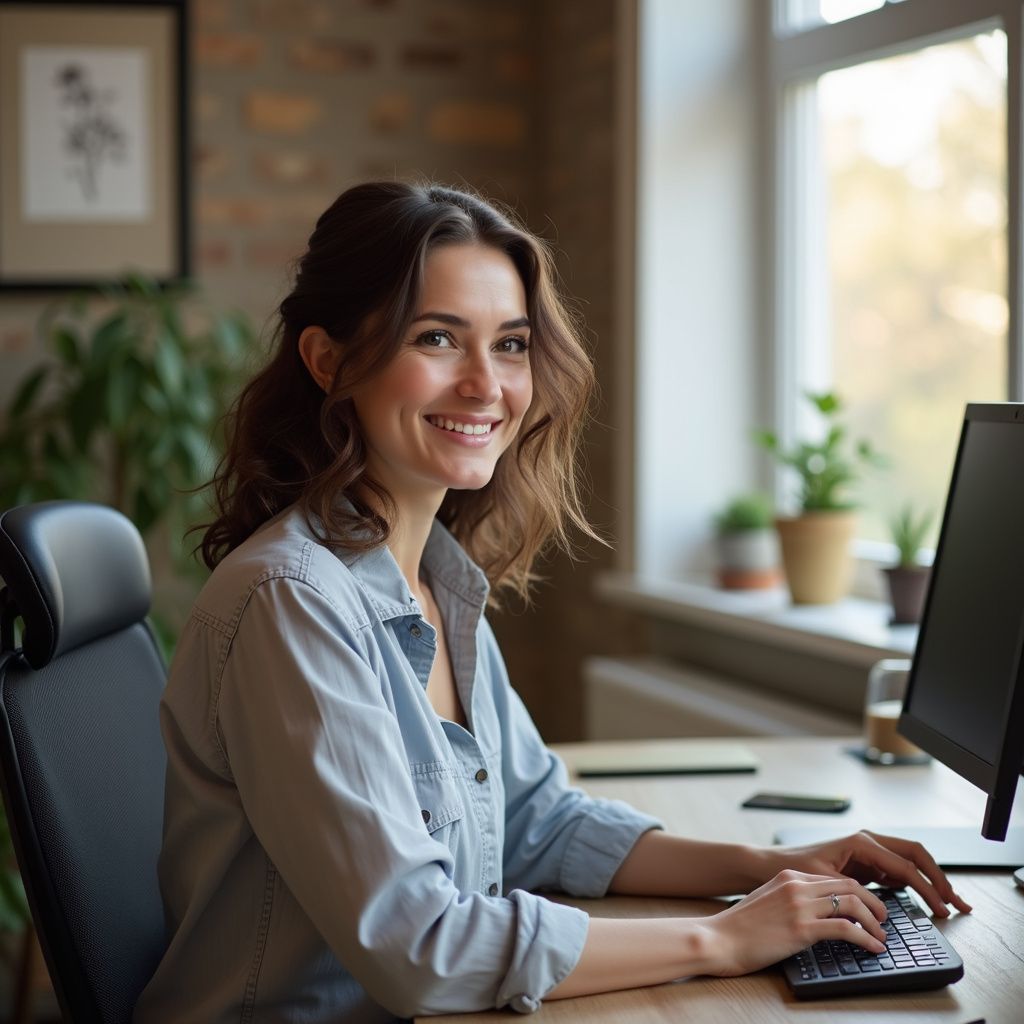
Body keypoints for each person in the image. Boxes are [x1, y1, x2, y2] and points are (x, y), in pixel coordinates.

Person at [133, 181, 970, 1024]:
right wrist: (724, 939)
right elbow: (420, 946)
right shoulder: (293, 602)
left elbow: (536, 819)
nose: (485, 385)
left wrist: (769, 865)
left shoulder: (435, 580)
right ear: (328, 361)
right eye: (436, 338)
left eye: (510, 344)